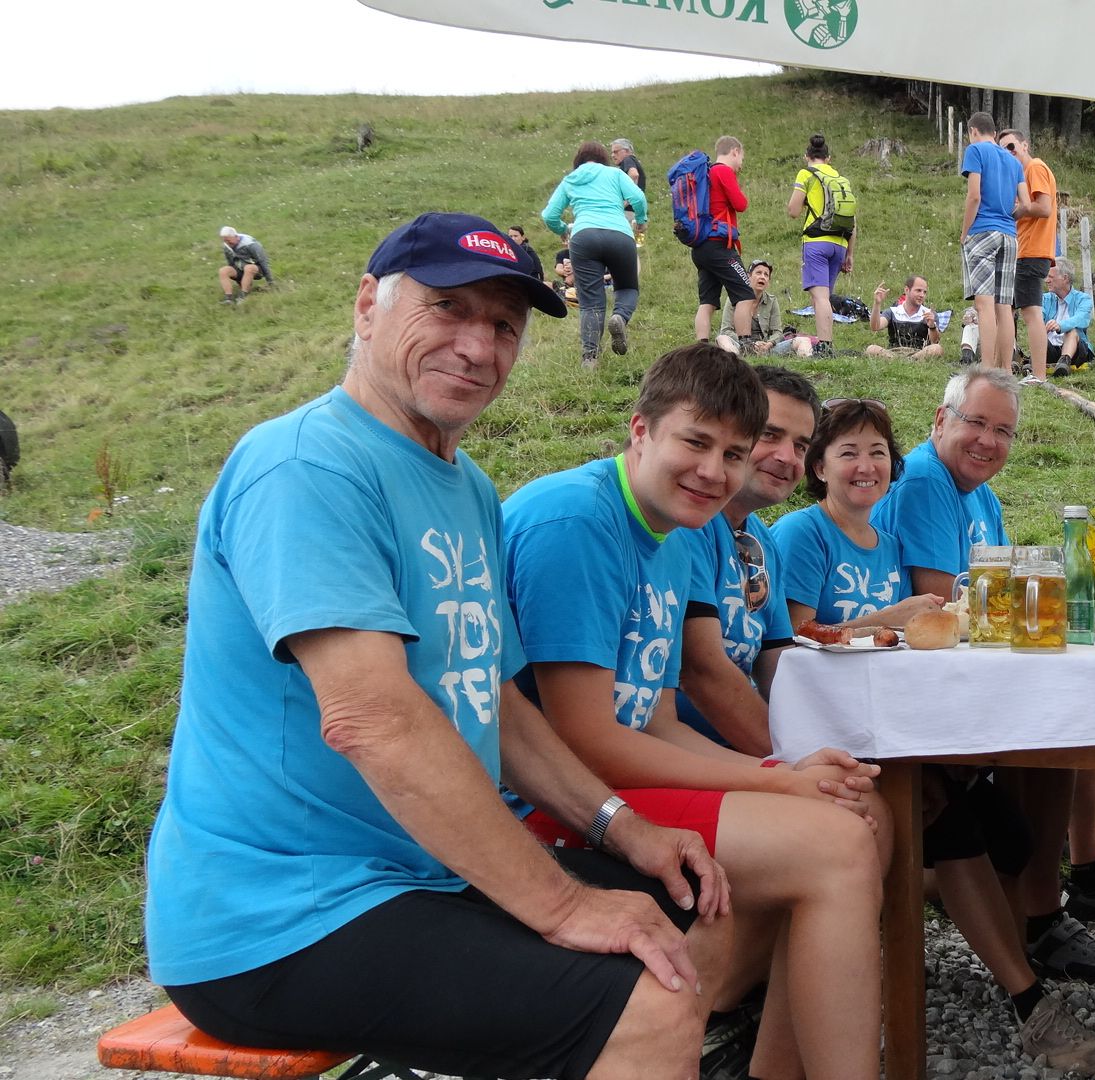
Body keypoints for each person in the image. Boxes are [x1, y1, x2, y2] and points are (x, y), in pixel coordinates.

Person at [145, 212, 727, 1080]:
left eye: (503, 325)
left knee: (690, 906)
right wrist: (565, 906)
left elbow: (496, 700)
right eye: (447, 307)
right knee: (650, 1002)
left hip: (415, 878)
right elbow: (373, 721)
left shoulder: (468, 487)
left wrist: (620, 828)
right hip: (279, 917)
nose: (477, 346)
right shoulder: (306, 467)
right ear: (367, 306)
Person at [501, 343, 885, 1080]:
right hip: (544, 802)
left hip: (610, 782)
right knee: (836, 845)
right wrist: (778, 780)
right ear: (640, 429)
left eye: (733, 454)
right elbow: (585, 741)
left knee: (850, 812)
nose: (715, 471)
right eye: (696, 442)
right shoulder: (576, 521)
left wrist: (784, 769)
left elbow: (658, 719)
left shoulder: (674, 536)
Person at [872, 367, 1095, 983]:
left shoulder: (976, 490)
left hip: (959, 675)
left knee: (1075, 701)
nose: (989, 441)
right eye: (976, 423)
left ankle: (1077, 883)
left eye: (1003, 431)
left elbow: (999, 595)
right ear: (941, 420)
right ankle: (1041, 916)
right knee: (1057, 726)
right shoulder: (926, 481)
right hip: (922, 691)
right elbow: (944, 609)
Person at [675, 367, 819, 757]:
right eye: (769, 435)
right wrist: (793, 761)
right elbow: (702, 673)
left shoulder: (762, 540)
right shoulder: (687, 522)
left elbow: (778, 666)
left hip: (730, 749)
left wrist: (829, 740)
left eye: (801, 446)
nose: (787, 457)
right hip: (687, 751)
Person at [768, 398, 948, 631]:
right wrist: (885, 619)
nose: (866, 467)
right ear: (820, 468)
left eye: (877, 453)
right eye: (849, 454)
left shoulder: (893, 548)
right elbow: (793, 639)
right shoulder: (801, 533)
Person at [542, 140, 647, 368]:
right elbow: (638, 198)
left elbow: (549, 215)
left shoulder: (571, 179)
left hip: (584, 237)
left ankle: (590, 357)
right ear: (603, 158)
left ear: (578, 160)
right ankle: (619, 317)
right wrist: (641, 221)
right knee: (627, 287)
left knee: (591, 302)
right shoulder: (614, 174)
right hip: (619, 235)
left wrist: (563, 230)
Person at [959, 112, 1029, 374]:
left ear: (973, 131)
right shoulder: (1013, 161)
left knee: (984, 304)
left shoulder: (975, 150)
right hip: (1009, 236)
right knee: (1004, 306)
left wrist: (965, 232)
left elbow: (974, 196)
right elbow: (1026, 204)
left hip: (982, 232)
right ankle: (1006, 369)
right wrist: (1007, 218)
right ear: (994, 132)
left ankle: (987, 368)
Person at [785, 134, 856, 358]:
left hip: (816, 241)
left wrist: (806, 201)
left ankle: (825, 345)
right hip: (840, 244)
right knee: (823, 295)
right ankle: (823, 340)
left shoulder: (806, 174)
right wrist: (850, 254)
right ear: (829, 158)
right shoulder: (840, 179)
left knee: (820, 297)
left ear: (807, 156)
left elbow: (793, 211)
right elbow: (852, 221)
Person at [1000, 130, 1058, 382]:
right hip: (1024, 250)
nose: (1009, 152)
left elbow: (1044, 207)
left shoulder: (1034, 167)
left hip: (1032, 251)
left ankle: (1039, 375)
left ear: (1024, 145)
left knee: (1031, 313)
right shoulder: (1020, 176)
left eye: (1011, 146)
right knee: (1005, 310)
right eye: (1003, 150)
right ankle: (1002, 369)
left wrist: (1015, 210)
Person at [693, 136, 757, 346]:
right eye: (741, 158)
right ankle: (746, 344)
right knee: (746, 294)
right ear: (735, 151)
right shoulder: (723, 171)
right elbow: (740, 204)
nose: (741, 165)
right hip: (719, 246)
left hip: (700, 247)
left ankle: (701, 347)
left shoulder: (706, 173)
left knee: (708, 302)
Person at [717, 260, 802, 357]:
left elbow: (778, 332)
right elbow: (726, 330)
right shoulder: (734, 299)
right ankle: (737, 362)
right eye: (758, 273)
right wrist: (749, 344)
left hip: (765, 348)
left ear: (768, 282)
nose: (762, 277)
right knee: (722, 338)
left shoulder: (772, 301)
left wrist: (769, 344)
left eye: (766, 275)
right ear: (748, 277)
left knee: (802, 341)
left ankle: (809, 363)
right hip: (740, 346)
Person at [864, 275, 944, 360]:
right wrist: (877, 303)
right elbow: (875, 327)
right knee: (871, 349)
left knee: (937, 348)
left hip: (919, 353)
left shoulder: (929, 314)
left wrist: (932, 326)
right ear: (907, 290)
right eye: (918, 290)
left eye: (924, 292)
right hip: (893, 353)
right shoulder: (893, 312)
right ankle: (899, 361)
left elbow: (935, 341)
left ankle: (909, 360)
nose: (922, 295)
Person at [1039, 263, 1095, 376]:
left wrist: (1060, 326)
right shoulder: (1044, 299)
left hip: (1076, 352)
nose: (1046, 280)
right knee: (1037, 331)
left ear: (1065, 278)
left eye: (1051, 277)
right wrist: (1041, 328)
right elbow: (1038, 317)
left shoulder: (1083, 299)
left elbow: (1081, 319)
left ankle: (1064, 362)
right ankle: (1034, 361)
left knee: (1071, 331)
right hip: (1050, 349)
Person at [217, 225, 272, 304]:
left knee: (248, 268)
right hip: (240, 269)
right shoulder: (226, 246)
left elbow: (263, 261)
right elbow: (231, 263)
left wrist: (270, 281)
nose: (227, 243)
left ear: (236, 237)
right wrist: (239, 281)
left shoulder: (251, 244)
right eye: (225, 241)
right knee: (223, 271)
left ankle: (243, 296)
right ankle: (228, 298)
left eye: (229, 241)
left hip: (256, 270)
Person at [611, 137, 647, 233]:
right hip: (634, 212)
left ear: (627, 151)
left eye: (616, 152)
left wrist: (624, 202)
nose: (613, 155)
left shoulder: (628, 159)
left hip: (627, 213)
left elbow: (634, 175)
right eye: (612, 152)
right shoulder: (633, 162)